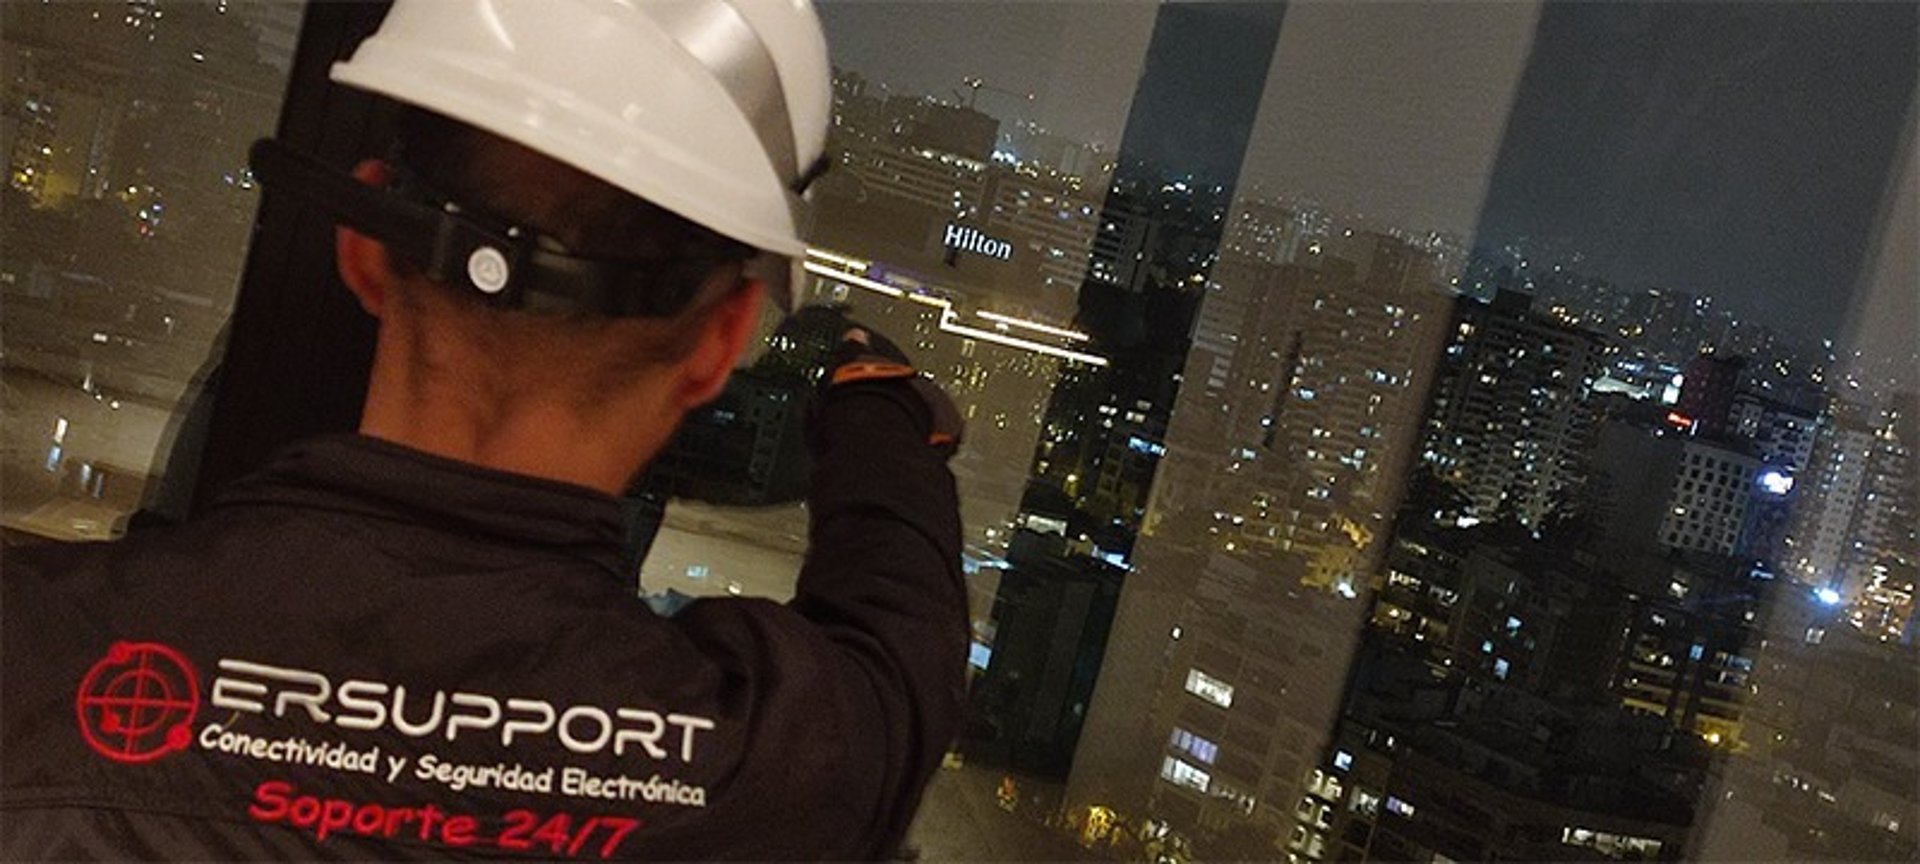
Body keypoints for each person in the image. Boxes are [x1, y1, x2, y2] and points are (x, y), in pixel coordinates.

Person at [0, 0, 967, 858]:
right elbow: (898, 638)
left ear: (364, 247)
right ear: (718, 346)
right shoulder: (769, 780)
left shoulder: (35, 657)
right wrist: (874, 401)